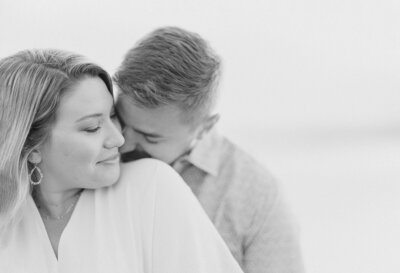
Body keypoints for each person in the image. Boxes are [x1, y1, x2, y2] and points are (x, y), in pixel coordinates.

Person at [0, 49, 244, 273]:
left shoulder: (151, 187)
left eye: (113, 116)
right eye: (92, 128)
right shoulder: (8, 221)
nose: (118, 138)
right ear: (31, 147)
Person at [114, 26, 305, 273]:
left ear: (205, 128)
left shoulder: (258, 197)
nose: (122, 143)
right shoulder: (91, 161)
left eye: (149, 137)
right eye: (119, 119)